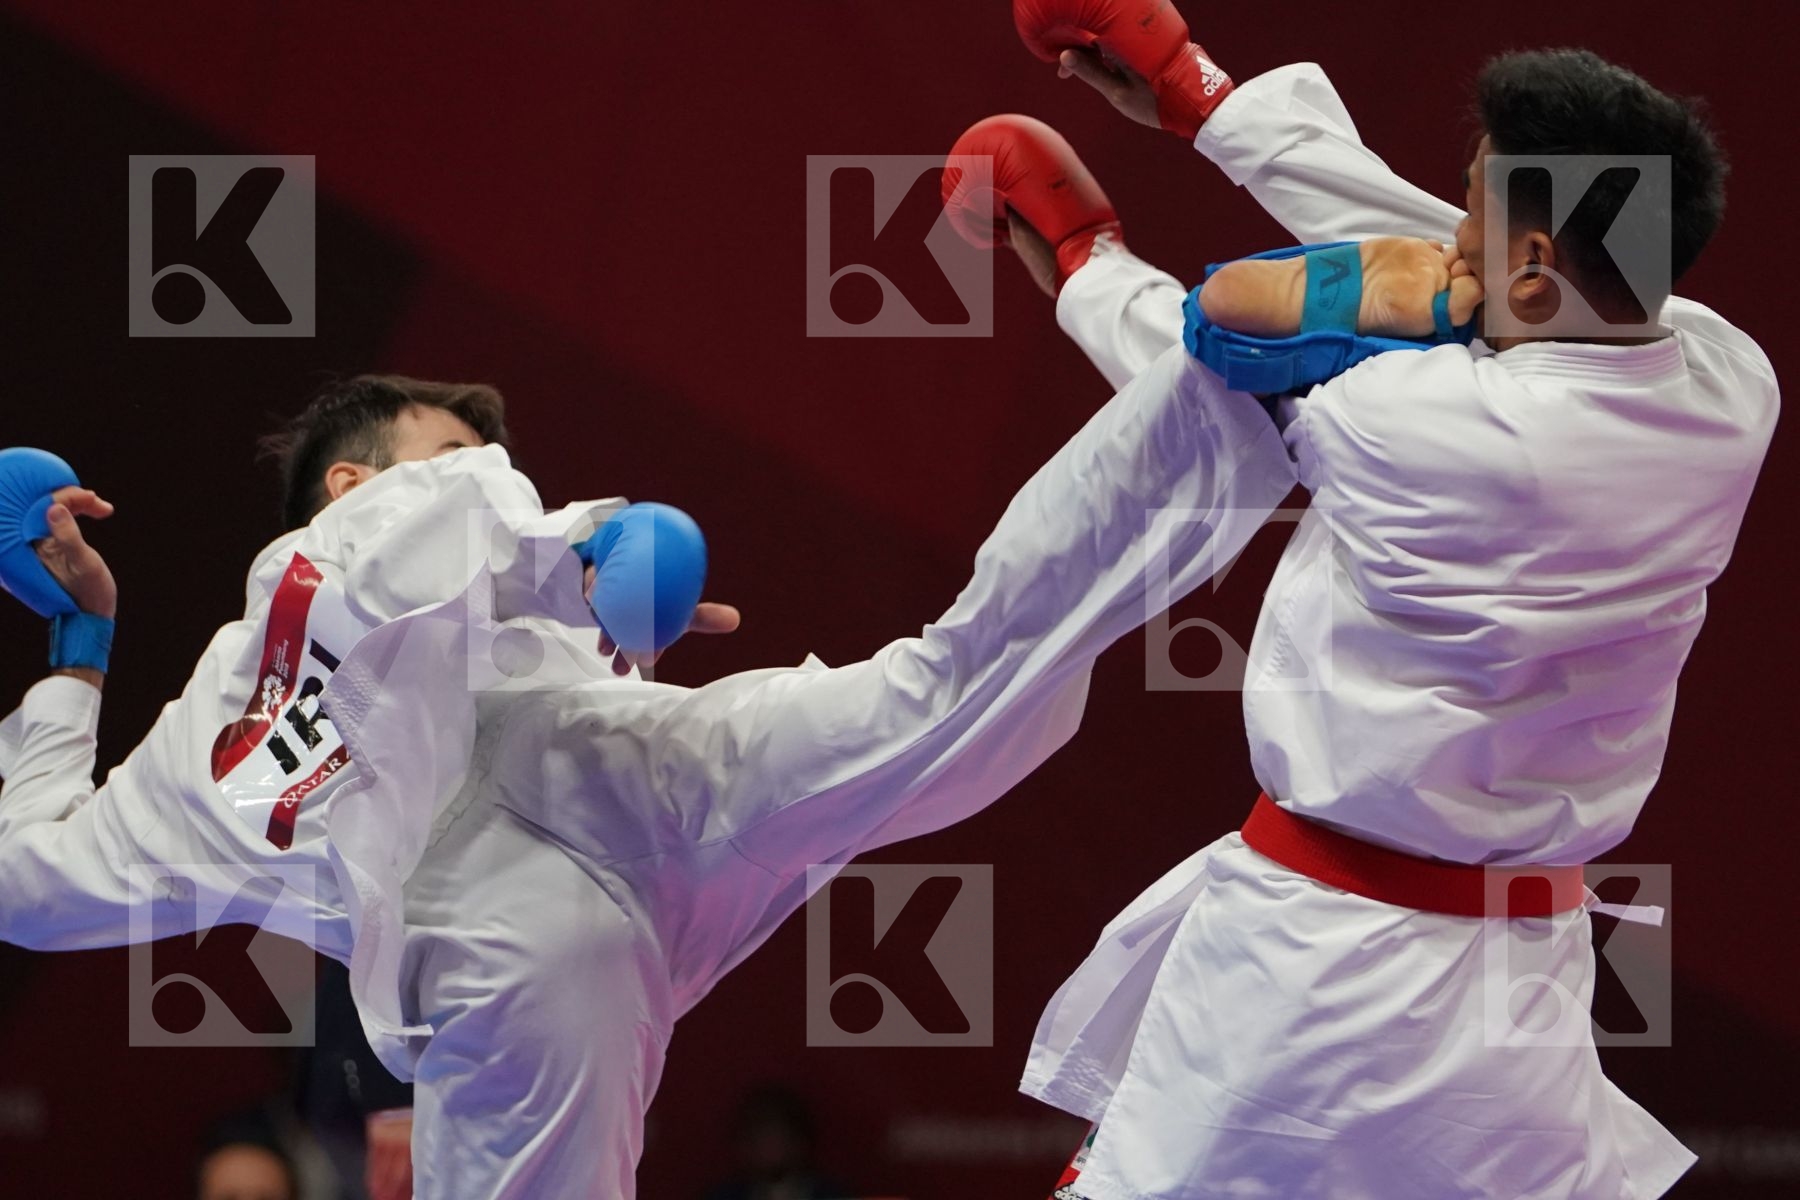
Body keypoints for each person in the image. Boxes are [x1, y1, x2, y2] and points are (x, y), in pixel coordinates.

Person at [995, 3, 1778, 1197]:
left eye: (1471, 205)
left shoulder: (1418, 425)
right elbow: (1458, 253)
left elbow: (1199, 360)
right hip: (1522, 989)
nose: (1446, 232)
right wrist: (1205, 103)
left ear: (1532, 264)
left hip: (1310, 973)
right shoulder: (1731, 382)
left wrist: (1081, 262)